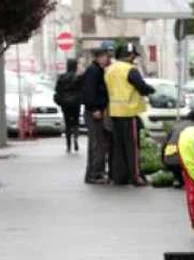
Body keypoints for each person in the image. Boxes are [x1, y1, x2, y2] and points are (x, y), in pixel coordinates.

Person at [104, 43, 155, 186]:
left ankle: (118, 176)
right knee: (132, 146)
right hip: (129, 112)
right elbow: (142, 87)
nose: (134, 59)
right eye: (134, 56)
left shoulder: (109, 69)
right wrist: (150, 90)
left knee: (117, 146)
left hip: (114, 112)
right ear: (130, 55)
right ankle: (136, 176)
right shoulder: (130, 70)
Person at [82, 47, 111, 184]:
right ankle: (95, 174)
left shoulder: (98, 71)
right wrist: (94, 109)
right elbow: (89, 92)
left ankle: (95, 172)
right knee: (98, 144)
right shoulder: (93, 72)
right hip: (94, 112)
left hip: (98, 110)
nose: (107, 59)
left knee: (99, 143)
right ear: (98, 58)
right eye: (104, 56)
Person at [162, 110, 194, 188]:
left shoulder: (176, 126)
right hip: (184, 161)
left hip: (169, 159)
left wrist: (163, 160)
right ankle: (184, 180)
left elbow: (164, 144)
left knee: (176, 159)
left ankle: (178, 179)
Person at [54, 59, 83, 154]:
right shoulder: (78, 78)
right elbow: (82, 89)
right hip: (75, 103)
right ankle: (75, 138)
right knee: (75, 122)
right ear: (75, 66)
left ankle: (68, 144)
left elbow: (57, 90)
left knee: (67, 123)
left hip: (65, 103)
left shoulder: (61, 77)